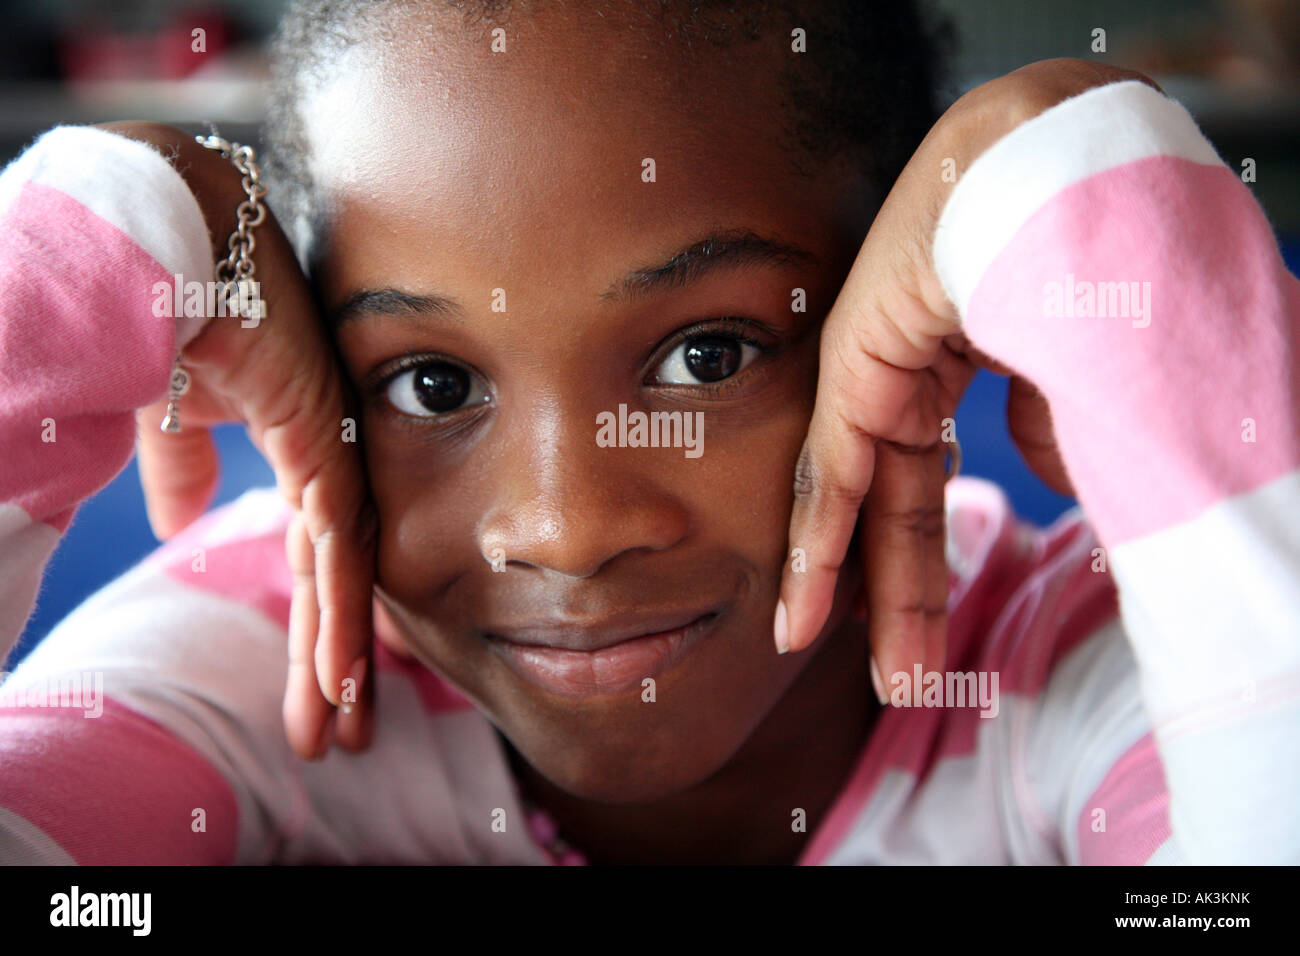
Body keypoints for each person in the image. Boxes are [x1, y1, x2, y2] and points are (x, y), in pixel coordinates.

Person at [0, 0, 1295, 864]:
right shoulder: (254, 669)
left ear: (920, 329)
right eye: (433, 386)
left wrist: (1069, 183)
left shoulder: (1068, 665)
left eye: (705, 356)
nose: (563, 529)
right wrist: (89, 237)